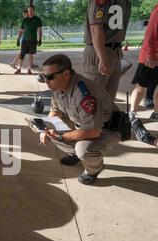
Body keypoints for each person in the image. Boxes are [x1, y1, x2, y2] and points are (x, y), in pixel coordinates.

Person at [38, 54, 122, 185]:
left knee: (84, 151)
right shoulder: (57, 87)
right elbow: (55, 111)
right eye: (43, 77)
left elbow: (93, 131)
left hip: (106, 128)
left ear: (66, 74)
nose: (46, 81)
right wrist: (44, 129)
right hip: (82, 123)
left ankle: (93, 170)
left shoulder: (84, 94)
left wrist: (63, 137)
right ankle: (74, 153)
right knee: (50, 129)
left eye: (49, 77)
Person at [83, 0, 131, 100]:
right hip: (100, 51)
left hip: (115, 49)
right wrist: (103, 59)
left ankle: (107, 115)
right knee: (94, 98)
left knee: (109, 98)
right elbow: (95, 28)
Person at [14, 5, 42, 75]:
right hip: (24, 40)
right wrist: (18, 39)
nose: (30, 12)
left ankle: (29, 69)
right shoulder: (24, 20)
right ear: (28, 12)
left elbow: (39, 30)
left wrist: (40, 39)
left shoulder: (37, 19)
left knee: (30, 55)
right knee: (22, 55)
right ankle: (18, 69)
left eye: (32, 11)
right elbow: (21, 30)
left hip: (33, 40)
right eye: (29, 11)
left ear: (34, 11)